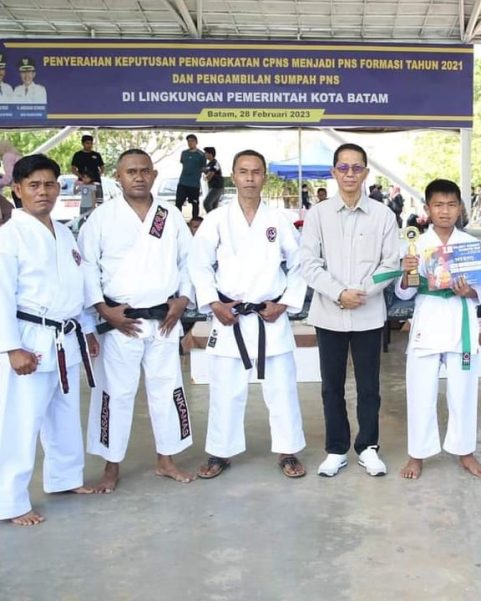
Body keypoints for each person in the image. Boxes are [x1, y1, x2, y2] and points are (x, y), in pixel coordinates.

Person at [78, 149, 195, 493]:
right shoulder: (101, 218)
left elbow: (189, 261)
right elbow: (87, 267)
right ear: (119, 177)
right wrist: (101, 309)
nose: (139, 177)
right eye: (131, 171)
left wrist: (183, 300)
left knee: (168, 388)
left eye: (145, 171)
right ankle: (111, 466)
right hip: (120, 321)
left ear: (154, 175)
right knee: (115, 393)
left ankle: (167, 459)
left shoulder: (169, 215)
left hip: (164, 319)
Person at [190, 149, 308, 480]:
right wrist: (213, 304)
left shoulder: (279, 220)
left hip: (270, 314)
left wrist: (284, 304)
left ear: (264, 176)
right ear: (234, 175)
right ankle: (219, 452)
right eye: (243, 172)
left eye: (256, 172)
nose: (250, 178)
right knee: (225, 389)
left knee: (282, 388)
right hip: (230, 316)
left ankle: (288, 451)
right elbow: (198, 264)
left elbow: (300, 264)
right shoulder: (216, 218)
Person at [0, 154, 99, 526]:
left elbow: (76, 287)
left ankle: (64, 478)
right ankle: (9, 501)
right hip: (28, 337)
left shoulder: (64, 231)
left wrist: (87, 329)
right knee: (20, 422)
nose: (43, 192)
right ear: (17, 190)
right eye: (34, 185)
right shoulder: (9, 236)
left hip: (65, 336)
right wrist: (11, 347)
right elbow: (1, 294)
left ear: (60, 188)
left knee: (64, 414)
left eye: (49, 184)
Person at [297, 142, 400, 477]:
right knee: (332, 386)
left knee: (369, 386)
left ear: (366, 173)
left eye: (357, 168)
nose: (350, 174)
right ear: (334, 171)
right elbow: (309, 264)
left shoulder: (384, 215)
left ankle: (368, 447)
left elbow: (391, 263)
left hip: (369, 314)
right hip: (329, 313)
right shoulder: (317, 214)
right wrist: (339, 293)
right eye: (343, 167)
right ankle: (336, 448)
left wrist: (364, 293)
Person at [395, 179, 481, 480]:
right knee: (420, 391)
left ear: (460, 208)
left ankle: (465, 451)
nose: (445, 211)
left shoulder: (470, 245)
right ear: (427, 209)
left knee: (463, 392)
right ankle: (417, 454)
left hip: (460, 321)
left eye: (451, 205)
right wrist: (408, 272)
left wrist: (470, 292)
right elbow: (404, 294)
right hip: (427, 322)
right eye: (438, 205)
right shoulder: (416, 245)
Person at [175, 134, 206, 220]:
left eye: (192, 141)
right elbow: (183, 163)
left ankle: (195, 222)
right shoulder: (184, 153)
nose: (190, 143)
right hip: (183, 183)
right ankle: (178, 220)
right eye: (188, 141)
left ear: (196, 142)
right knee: (178, 203)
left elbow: (204, 168)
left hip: (194, 184)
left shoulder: (201, 155)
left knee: (195, 204)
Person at [70, 134, 105, 203]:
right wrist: (82, 177)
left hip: (96, 181)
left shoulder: (96, 155)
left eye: (91, 143)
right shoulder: (78, 155)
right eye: (87, 143)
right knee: (87, 202)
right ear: (83, 144)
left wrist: (99, 174)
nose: (90, 145)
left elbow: (102, 167)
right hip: (84, 183)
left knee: (99, 201)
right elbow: (73, 169)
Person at [201, 146, 224, 214]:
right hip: (212, 187)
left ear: (211, 154)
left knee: (206, 203)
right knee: (213, 206)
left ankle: (211, 219)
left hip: (217, 187)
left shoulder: (215, 163)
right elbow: (204, 171)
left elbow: (209, 176)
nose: (205, 154)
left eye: (206, 153)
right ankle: (216, 221)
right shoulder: (209, 164)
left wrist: (205, 177)